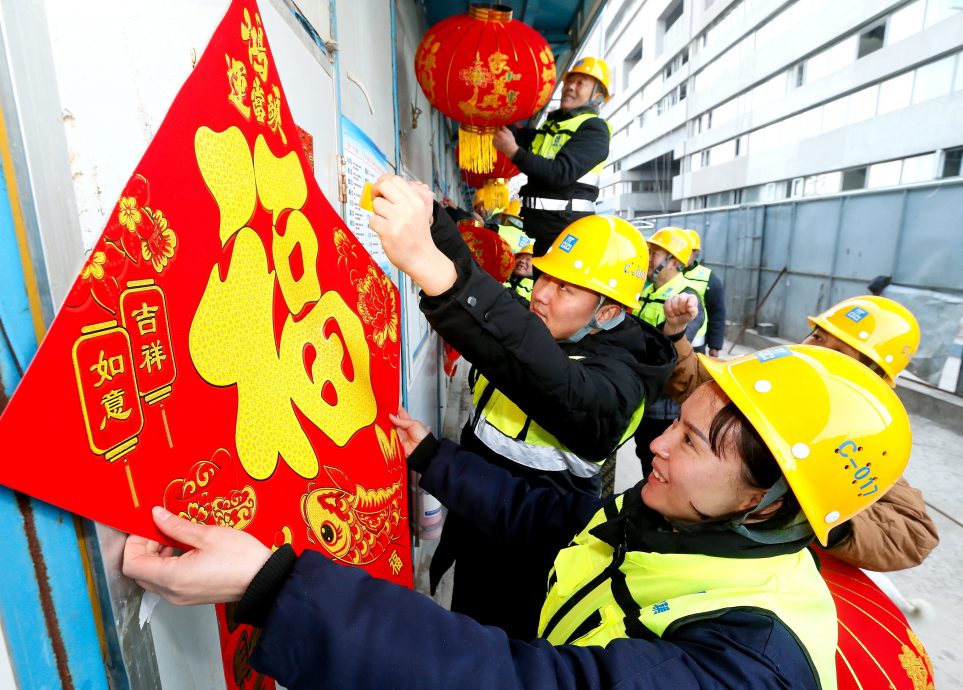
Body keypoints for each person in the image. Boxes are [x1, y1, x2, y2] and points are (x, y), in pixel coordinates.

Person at [123, 344, 912, 690]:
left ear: (765, 501)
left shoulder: (752, 660)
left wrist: (273, 584)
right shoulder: (678, 517)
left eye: (692, 440)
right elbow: (554, 521)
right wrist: (430, 456)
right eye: (675, 419)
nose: (658, 446)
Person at [380, 174, 674, 638]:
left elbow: (550, 376)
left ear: (610, 312)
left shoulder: (618, 386)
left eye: (567, 289)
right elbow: (499, 321)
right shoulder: (551, 326)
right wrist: (434, 221)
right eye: (545, 276)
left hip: (525, 563)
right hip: (476, 517)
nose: (540, 292)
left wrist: (433, 273)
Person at [662, 293, 938, 571]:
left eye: (840, 355)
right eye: (818, 338)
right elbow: (695, 379)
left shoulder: (856, 440)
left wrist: (807, 512)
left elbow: (914, 536)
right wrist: (675, 336)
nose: (818, 354)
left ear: (869, 378)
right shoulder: (767, 378)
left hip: (757, 565)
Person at [493, 57, 613, 256]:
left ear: (598, 97)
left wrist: (513, 151)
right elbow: (526, 139)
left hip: (567, 234)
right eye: (569, 81)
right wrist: (496, 114)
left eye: (580, 83)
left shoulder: (594, 129)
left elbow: (560, 173)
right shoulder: (554, 127)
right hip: (546, 232)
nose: (571, 87)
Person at [633, 226, 704, 471]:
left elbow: (671, 354)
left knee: (659, 467)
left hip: (665, 408)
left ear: (673, 261)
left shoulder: (687, 300)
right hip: (644, 400)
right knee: (644, 454)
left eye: (655, 254)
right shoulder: (646, 292)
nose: (649, 258)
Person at [681, 228, 727, 357]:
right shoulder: (667, 273)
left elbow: (717, 313)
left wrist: (715, 345)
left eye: (687, 251)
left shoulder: (708, 279)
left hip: (695, 346)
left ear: (696, 252)